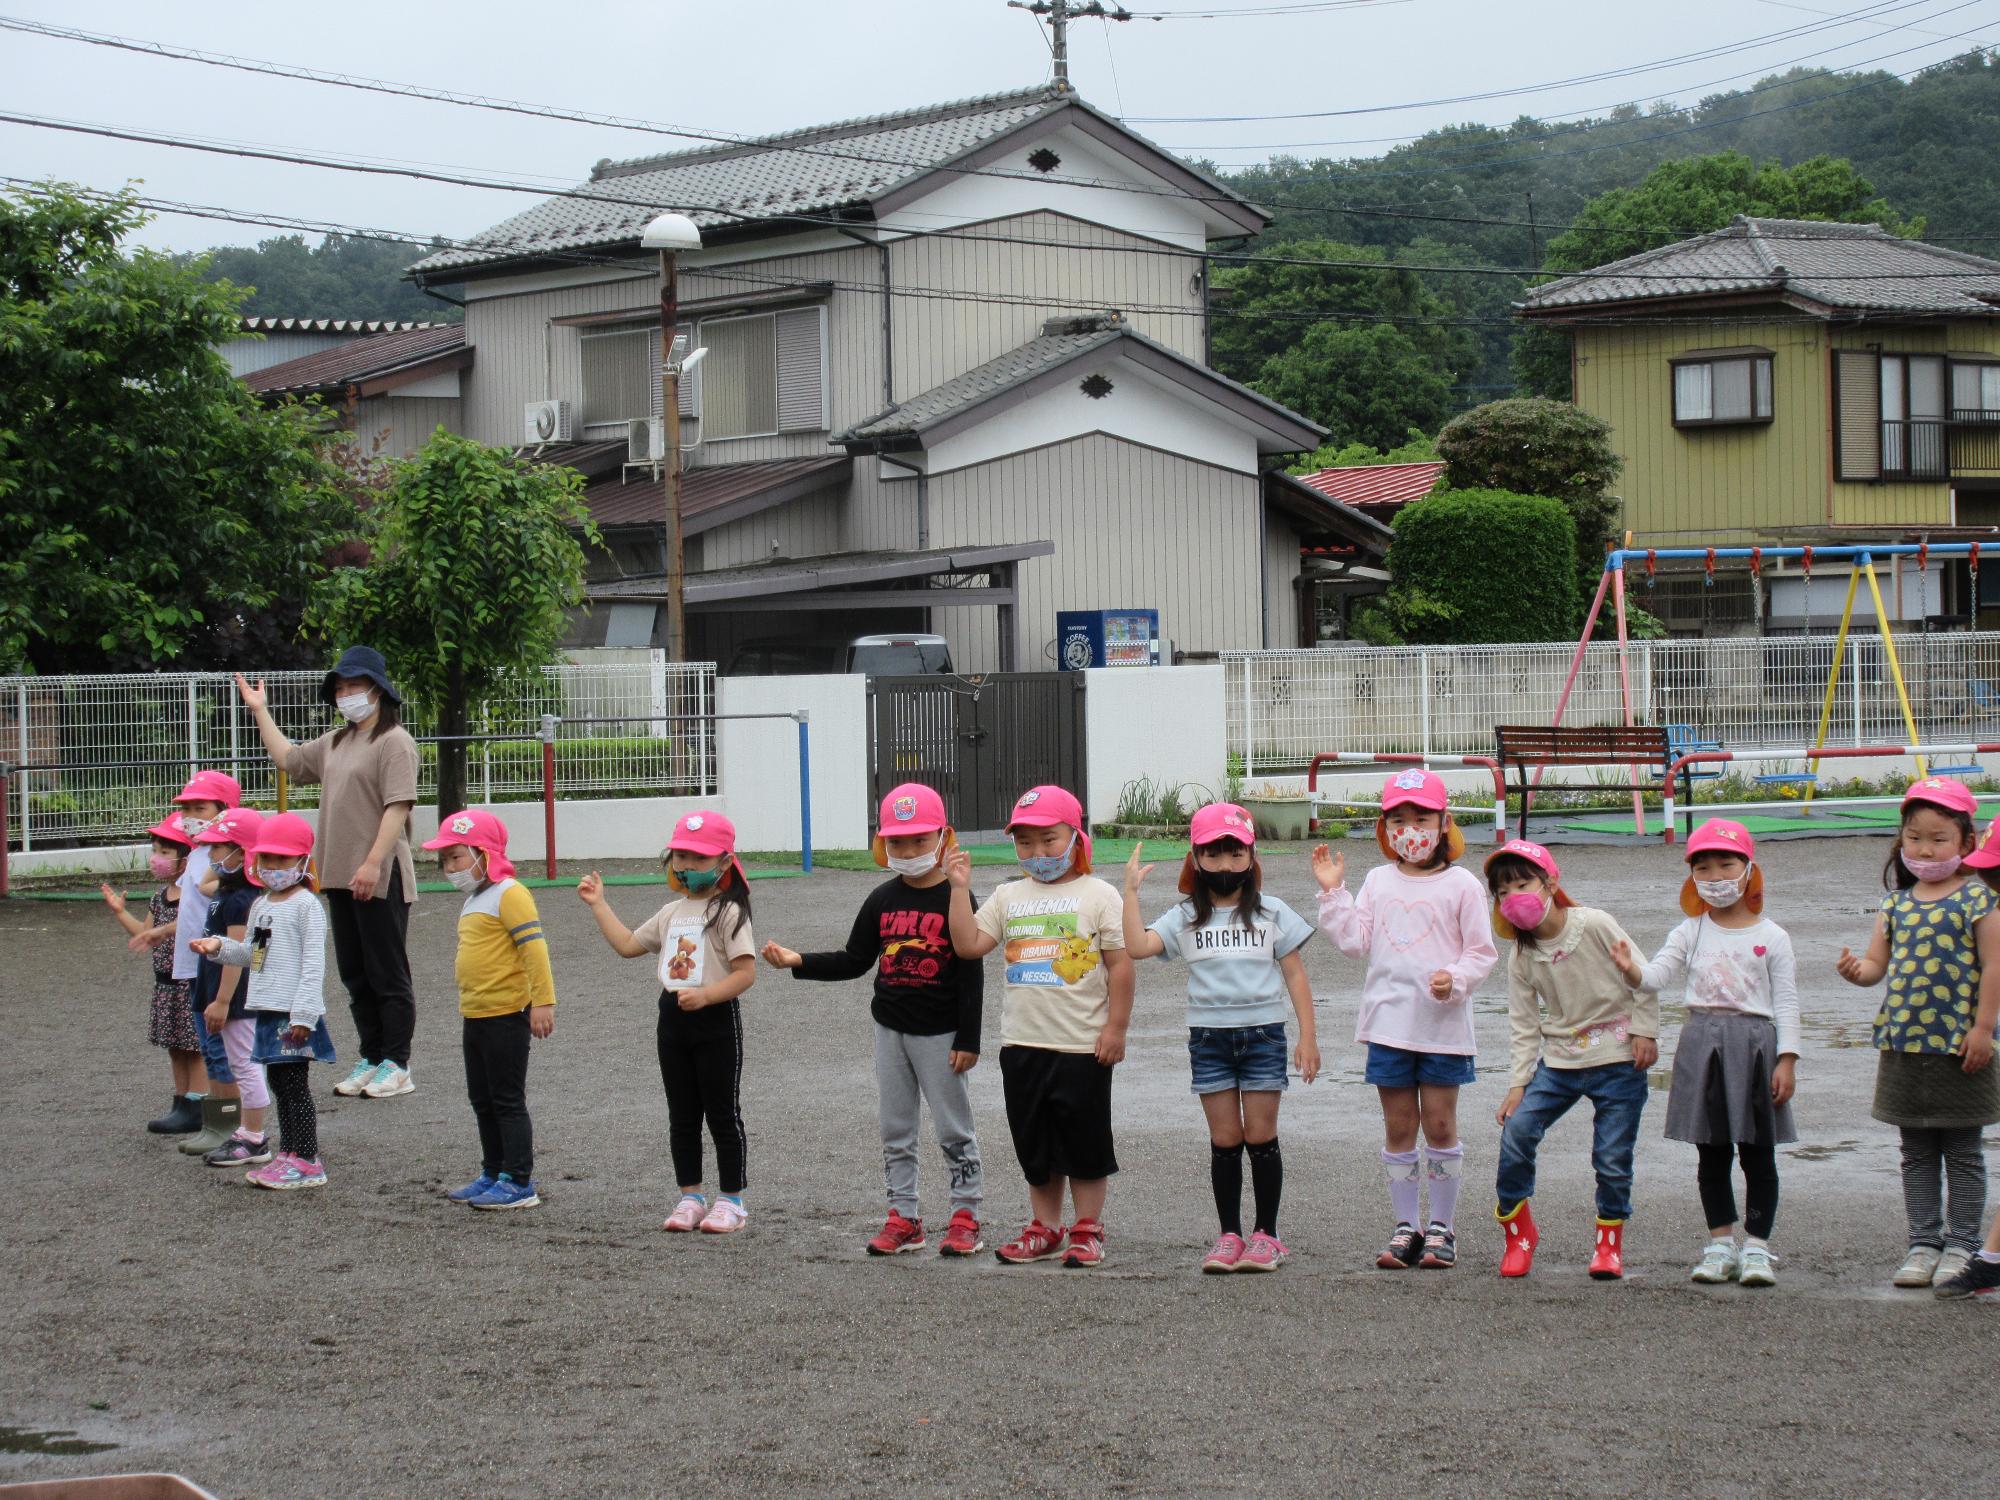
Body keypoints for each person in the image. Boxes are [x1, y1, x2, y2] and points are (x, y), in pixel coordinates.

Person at [762, 783, 985, 1258]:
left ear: (945, 839)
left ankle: (966, 1215)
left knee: (953, 1128)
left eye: (919, 841)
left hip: (942, 1034)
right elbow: (854, 959)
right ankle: (904, 1217)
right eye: (897, 842)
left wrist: (970, 1038)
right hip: (891, 1031)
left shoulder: (957, 897)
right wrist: (797, 959)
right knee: (896, 1128)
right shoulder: (881, 899)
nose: (908, 851)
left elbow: (972, 974)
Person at [1313, 769, 1497, 1272]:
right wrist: (1334, 895)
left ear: (1444, 824)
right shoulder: (1377, 880)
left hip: (1442, 1028)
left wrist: (1455, 979)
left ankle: (1441, 1227)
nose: (1410, 828)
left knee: (1439, 1124)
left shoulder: (1462, 883)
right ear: (1384, 827)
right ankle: (1404, 1227)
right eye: (1398, 819)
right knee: (1398, 1126)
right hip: (1389, 1026)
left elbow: (1482, 952)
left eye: (1421, 817)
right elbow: (1355, 942)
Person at [1122, 802, 1318, 1274]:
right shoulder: (1185, 915)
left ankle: (1267, 1236)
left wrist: (1307, 1037)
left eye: (1235, 854)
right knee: (1225, 1138)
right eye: (1213, 855)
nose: (1225, 865)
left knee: (1261, 1134)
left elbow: (1295, 975)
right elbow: (1136, 947)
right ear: (1195, 858)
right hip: (1209, 1038)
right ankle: (1229, 1234)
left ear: (1251, 857)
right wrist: (1129, 893)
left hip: (1263, 1036)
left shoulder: (1272, 912)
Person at [946, 785, 1134, 1270]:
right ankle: (1045, 1227)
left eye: (1049, 840)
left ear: (1076, 837)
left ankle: (1087, 1229)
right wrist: (958, 888)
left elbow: (1120, 967)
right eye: (1025, 843)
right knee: (1035, 1142)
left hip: (1081, 1046)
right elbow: (968, 945)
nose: (1038, 853)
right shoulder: (1010, 895)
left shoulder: (1099, 894)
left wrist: (1116, 1028)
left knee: (1085, 1140)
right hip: (1022, 1044)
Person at [1610, 819, 1798, 1288]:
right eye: (1704, 867)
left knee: (1759, 1153)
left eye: (1725, 864)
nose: (1715, 877)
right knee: (1711, 1153)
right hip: (1702, 1044)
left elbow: (1787, 1000)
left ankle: (1757, 1248)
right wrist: (1630, 969)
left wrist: (1788, 1059)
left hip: (1756, 1044)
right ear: (1692, 876)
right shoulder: (1689, 931)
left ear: (1749, 868)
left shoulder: (1773, 935)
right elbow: (1655, 978)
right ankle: (1720, 1244)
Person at [234, 647, 420, 1102]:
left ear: (377, 689)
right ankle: (373, 1057)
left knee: (387, 973)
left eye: (353, 686)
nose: (345, 695)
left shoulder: (395, 741)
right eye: (339, 688)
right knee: (355, 974)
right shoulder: (337, 741)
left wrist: (373, 862)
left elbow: (399, 805)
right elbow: (291, 761)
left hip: (379, 873)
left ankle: (397, 1063)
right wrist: (261, 712)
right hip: (338, 873)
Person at [1835, 777, 1999, 1289]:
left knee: (1964, 1152)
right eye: (1914, 838)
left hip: (1960, 1047)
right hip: (1904, 1045)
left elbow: (1995, 967)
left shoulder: (1979, 900)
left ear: (1967, 842)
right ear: (1900, 841)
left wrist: (1983, 1029)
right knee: (1916, 1152)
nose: (1924, 849)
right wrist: (1854, 970)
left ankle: (1965, 1245)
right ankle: (1923, 1242)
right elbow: (1875, 968)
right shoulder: (1895, 905)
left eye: (1938, 838)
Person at [1486, 839, 1658, 1281]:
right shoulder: (1522, 954)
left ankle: (1609, 1243)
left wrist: (1644, 1031)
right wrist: (1518, 1084)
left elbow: (1643, 977)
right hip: (1559, 1064)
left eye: (1524, 884)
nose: (1514, 898)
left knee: (1611, 1157)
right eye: (1503, 893)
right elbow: (1524, 1024)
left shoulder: (1595, 924)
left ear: (1551, 883)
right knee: (1517, 1132)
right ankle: (1518, 1231)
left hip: (1618, 1059)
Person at [580, 810, 755, 1234]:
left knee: (722, 1114)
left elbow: (745, 973)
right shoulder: (670, 912)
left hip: (714, 1021)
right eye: (681, 856)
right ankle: (690, 1196)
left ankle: (731, 1201)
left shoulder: (728, 912)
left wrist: (708, 995)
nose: (687, 866)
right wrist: (599, 904)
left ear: (725, 862)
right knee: (682, 1114)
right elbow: (626, 945)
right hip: (673, 1020)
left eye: (699, 858)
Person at [190, 813, 336, 1191]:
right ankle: (289, 1153)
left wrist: (305, 1013)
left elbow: (312, 965)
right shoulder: (263, 904)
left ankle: (306, 1159)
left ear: (303, 862)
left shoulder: (306, 906)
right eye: (267, 859)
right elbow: (255, 955)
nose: (273, 868)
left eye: (282, 860)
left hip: (293, 1013)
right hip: (268, 1010)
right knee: (280, 1083)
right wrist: (219, 947)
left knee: (294, 1086)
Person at [422, 810, 556, 1212]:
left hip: (506, 1014)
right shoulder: (475, 898)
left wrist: (543, 1001)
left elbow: (534, 949)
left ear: (484, 853)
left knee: (506, 1099)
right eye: (445, 860)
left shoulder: (510, 893)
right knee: (481, 1099)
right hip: (476, 1014)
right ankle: (493, 1170)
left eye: (457, 857)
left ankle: (518, 1180)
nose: (450, 867)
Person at [100, 814, 203, 1133]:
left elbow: (190, 928)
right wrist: (120, 912)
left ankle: (198, 1105)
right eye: (155, 850)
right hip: (165, 984)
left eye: (165, 852)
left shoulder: (194, 896)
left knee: (195, 1046)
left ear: (185, 860)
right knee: (175, 1045)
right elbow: (145, 933)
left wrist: (161, 932)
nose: (156, 858)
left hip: (188, 982)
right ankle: (180, 1102)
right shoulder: (159, 896)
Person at [192, 808, 273, 1169]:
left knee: (244, 1063)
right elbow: (204, 881)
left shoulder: (243, 899)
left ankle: (254, 1137)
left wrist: (223, 1000)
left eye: (217, 849)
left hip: (235, 997)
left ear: (242, 853)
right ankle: (246, 1132)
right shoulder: (228, 890)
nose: (210, 856)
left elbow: (239, 955)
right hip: (222, 992)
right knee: (242, 1061)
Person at [169, 771, 242, 1152]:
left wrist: (222, 842)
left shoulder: (221, 863)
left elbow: (207, 890)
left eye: (201, 808)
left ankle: (231, 1126)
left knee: (220, 1047)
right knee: (210, 1045)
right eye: (186, 808)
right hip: (194, 963)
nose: (190, 816)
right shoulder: (198, 854)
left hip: (215, 962)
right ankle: (219, 1124)